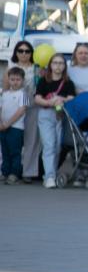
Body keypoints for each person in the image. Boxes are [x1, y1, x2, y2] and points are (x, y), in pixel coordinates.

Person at [34, 53, 75, 188]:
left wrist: (61, 99)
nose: (58, 66)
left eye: (61, 63)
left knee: (57, 147)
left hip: (61, 115)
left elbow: (71, 98)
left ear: (65, 66)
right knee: (49, 145)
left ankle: (52, 173)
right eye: (55, 63)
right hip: (46, 114)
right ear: (50, 65)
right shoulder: (43, 80)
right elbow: (37, 98)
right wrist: (49, 102)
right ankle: (49, 177)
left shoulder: (68, 82)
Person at [8, 41, 41, 182]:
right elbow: (5, 87)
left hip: (32, 106)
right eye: (20, 51)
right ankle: (9, 170)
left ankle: (28, 172)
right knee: (11, 140)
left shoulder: (37, 68)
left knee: (31, 140)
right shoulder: (11, 66)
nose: (24, 53)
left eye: (27, 51)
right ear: (16, 52)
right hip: (13, 106)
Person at [1, 67, 29, 183]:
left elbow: (21, 110)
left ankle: (14, 173)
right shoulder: (4, 94)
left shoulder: (22, 94)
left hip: (16, 128)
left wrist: (8, 123)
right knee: (5, 151)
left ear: (22, 80)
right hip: (3, 127)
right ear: (9, 80)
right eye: (12, 79)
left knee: (15, 152)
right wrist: (1, 123)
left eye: (18, 79)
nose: (15, 82)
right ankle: (5, 172)